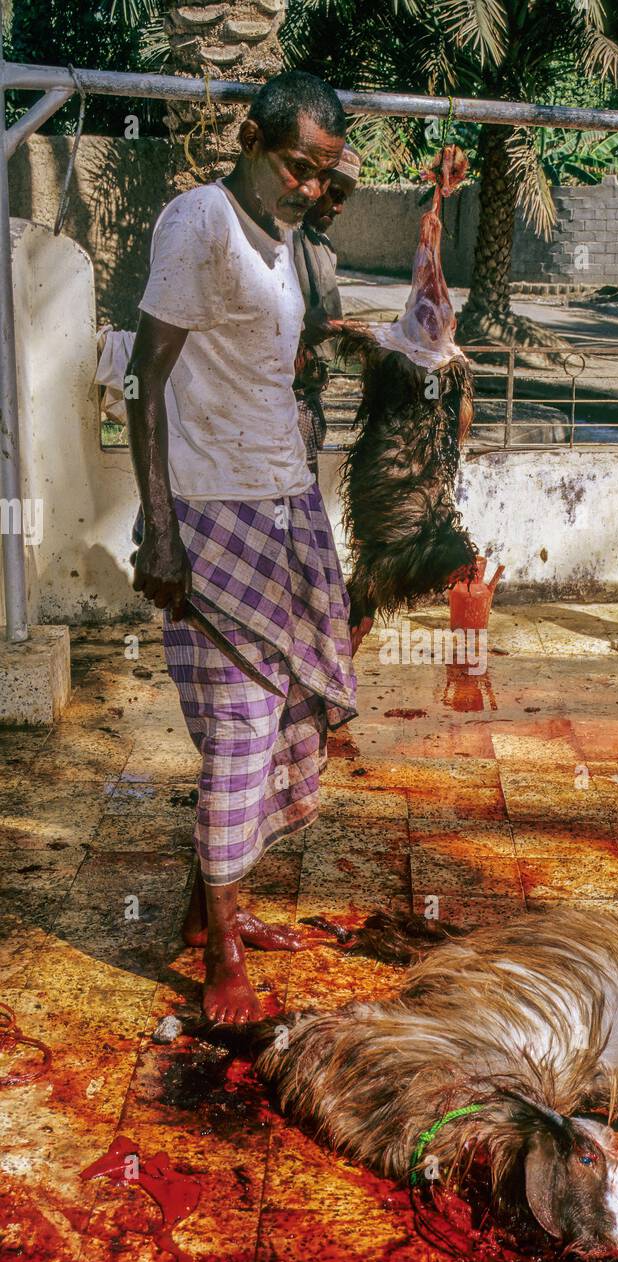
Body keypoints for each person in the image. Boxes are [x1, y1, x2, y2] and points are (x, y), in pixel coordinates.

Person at [127, 71, 369, 1026]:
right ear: (248, 136)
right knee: (240, 730)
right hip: (208, 509)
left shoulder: (285, 243)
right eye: (294, 165)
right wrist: (163, 532)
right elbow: (146, 385)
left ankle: (202, 910)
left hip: (285, 502)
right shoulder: (200, 222)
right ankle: (222, 950)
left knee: (292, 714)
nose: (307, 186)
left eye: (322, 173)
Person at [292, 143, 362, 477]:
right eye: (334, 194)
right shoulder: (279, 239)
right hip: (280, 405)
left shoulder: (321, 247)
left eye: (344, 198)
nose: (338, 207)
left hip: (308, 400)